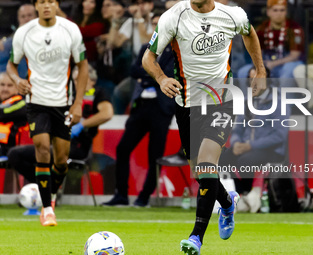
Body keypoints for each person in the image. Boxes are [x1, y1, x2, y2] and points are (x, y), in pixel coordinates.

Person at [142, 0, 266, 254]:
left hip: (223, 101)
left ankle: (196, 237)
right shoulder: (173, 17)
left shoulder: (232, 15)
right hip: (187, 105)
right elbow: (148, 57)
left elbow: (249, 32)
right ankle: (227, 201)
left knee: (208, 165)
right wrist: (162, 77)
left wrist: (261, 70)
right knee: (201, 174)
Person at [6, 0, 88, 227]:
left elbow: (83, 65)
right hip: (36, 102)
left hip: (64, 103)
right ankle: (48, 209)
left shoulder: (70, 29)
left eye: (51, 1)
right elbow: (11, 65)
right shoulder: (24, 32)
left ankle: (49, 197)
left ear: (56, 4)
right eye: (42, 2)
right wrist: (17, 80)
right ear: (36, 6)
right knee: (42, 148)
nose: (46, 6)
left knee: (61, 160)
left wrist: (78, 103)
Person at [102, 12, 176, 207]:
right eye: (153, 24)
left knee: (155, 155)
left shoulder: (177, 51)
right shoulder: (146, 47)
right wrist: (154, 74)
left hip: (161, 108)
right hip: (140, 106)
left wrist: (149, 73)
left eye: (159, 23)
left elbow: (169, 75)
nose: (156, 27)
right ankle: (121, 195)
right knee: (123, 148)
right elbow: (134, 71)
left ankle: (144, 197)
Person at [8, 65, 113, 190]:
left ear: (92, 80)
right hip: (57, 141)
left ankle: (46, 188)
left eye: (80, 79)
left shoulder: (98, 93)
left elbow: (107, 113)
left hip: (77, 146)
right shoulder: (68, 93)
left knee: (42, 155)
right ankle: (47, 187)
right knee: (15, 155)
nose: (76, 83)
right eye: (74, 80)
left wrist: (82, 125)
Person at [219, 67, 288, 213]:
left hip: (271, 150)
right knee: (222, 158)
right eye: (251, 79)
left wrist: (250, 145)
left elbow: (279, 136)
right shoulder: (246, 101)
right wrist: (236, 143)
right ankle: (241, 194)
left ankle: (244, 194)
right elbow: (237, 129)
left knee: (245, 160)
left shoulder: (279, 102)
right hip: (245, 148)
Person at [238, 0, 304, 82]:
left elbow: (294, 56)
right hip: (266, 63)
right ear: (268, 12)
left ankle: (285, 94)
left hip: (288, 63)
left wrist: (273, 63)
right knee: (243, 72)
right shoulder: (261, 29)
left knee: (287, 72)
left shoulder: (294, 28)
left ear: (286, 12)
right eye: (275, 10)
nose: (278, 13)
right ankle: (248, 94)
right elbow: (257, 53)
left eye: (282, 10)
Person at [0, 4, 37, 78]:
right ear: (18, 19)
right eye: (23, 16)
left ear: (36, 17)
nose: (26, 19)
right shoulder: (10, 41)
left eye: (29, 15)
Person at [0, 72, 27, 156]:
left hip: (11, 149)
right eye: (2, 85)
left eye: (9, 85)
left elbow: (3, 113)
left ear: (17, 88)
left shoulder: (21, 103)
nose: (5, 89)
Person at [75, 0, 107, 67]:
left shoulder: (99, 24)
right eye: (85, 1)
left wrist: (62, 15)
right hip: (72, 61)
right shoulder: (76, 21)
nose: (87, 4)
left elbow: (80, 32)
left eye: (92, 2)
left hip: (90, 64)